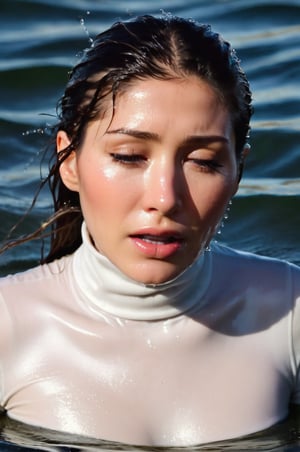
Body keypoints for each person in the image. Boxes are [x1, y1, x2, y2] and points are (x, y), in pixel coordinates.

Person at [0, 13, 299, 448]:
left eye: (204, 162)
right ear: (70, 162)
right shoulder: (7, 325)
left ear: (238, 171)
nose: (165, 197)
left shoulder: (289, 314)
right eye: (128, 155)